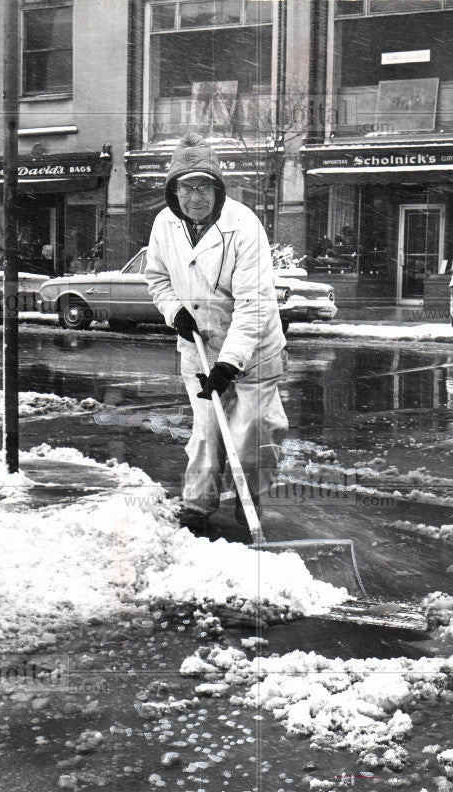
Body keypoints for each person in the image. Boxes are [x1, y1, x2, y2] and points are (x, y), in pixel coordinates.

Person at [146, 133, 288, 532]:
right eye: (186, 188)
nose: (195, 198)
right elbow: (156, 278)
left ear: (218, 187)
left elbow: (254, 304)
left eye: (203, 187)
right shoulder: (164, 225)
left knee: (252, 432)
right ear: (174, 191)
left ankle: (250, 499)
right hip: (199, 344)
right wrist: (175, 312)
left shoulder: (244, 226)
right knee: (207, 429)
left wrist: (230, 363)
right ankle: (198, 504)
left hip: (254, 346)